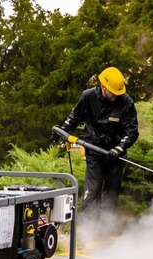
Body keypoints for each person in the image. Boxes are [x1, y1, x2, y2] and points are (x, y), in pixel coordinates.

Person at [54, 67, 139, 217]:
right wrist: (62, 131)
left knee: (111, 194)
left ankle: (106, 227)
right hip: (94, 151)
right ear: (103, 87)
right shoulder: (88, 96)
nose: (116, 96)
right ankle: (89, 227)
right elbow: (74, 117)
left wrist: (119, 148)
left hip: (115, 155)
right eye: (113, 92)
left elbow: (132, 132)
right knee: (92, 192)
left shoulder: (126, 102)